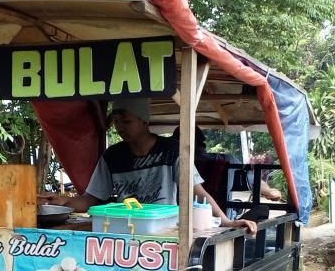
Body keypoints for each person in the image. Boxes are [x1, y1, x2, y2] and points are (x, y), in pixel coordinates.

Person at [42, 98, 256, 234]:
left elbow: (197, 192)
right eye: (116, 122)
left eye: (126, 121)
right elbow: (90, 199)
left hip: (164, 231)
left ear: (144, 121)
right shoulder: (112, 156)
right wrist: (62, 205)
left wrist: (226, 222)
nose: (120, 127)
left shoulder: (171, 150)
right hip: (123, 230)